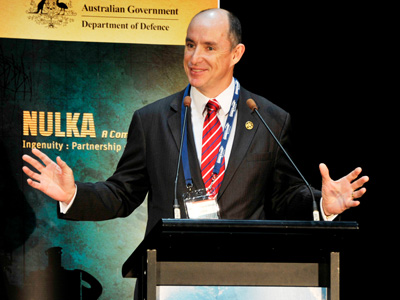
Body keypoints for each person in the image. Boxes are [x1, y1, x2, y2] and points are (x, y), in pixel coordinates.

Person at [22, 9, 368, 234]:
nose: (195, 58)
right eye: (189, 45)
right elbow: (122, 194)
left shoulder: (270, 118)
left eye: (209, 47)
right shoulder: (152, 119)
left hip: (246, 276)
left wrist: (320, 204)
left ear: (236, 54)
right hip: (168, 274)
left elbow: (282, 198)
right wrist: (74, 194)